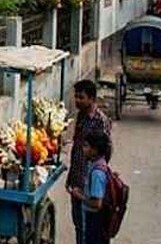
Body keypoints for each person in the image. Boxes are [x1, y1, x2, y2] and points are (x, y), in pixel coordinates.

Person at [67, 79, 113, 244]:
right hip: (77, 179)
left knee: (90, 230)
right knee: (79, 226)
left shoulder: (100, 120)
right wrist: (71, 178)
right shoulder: (80, 116)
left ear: (92, 99)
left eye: (81, 97)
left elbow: (106, 150)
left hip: (90, 184)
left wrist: (94, 173)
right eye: (76, 96)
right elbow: (76, 148)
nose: (77, 100)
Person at [70, 131, 112, 244]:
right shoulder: (96, 164)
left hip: (95, 220)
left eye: (86, 146)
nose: (83, 149)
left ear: (94, 150)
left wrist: (79, 196)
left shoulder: (97, 173)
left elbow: (97, 203)